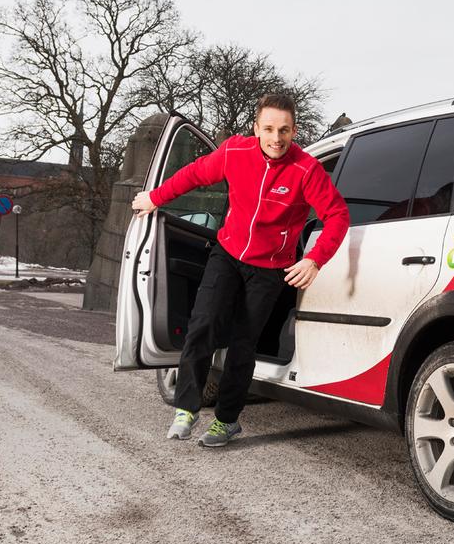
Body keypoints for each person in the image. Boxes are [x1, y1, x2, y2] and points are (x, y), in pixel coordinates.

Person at [131, 93, 350, 447]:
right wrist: (156, 198)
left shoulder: (305, 170)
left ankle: (227, 421)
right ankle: (186, 409)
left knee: (242, 343)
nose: (276, 139)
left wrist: (314, 258)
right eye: (268, 129)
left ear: (294, 131)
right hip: (228, 253)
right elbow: (194, 175)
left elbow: (338, 215)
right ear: (256, 128)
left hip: (269, 269)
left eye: (284, 130)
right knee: (202, 324)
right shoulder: (235, 152)